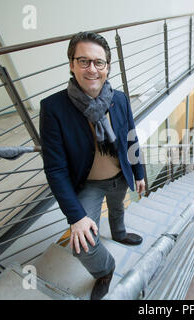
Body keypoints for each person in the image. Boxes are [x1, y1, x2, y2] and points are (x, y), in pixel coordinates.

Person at [39, 31, 145, 300]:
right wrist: (76, 217)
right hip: (89, 184)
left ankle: (119, 233)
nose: (92, 69)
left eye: (99, 62)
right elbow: (56, 169)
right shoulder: (53, 108)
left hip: (120, 174)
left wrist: (139, 172)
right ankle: (106, 270)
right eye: (83, 61)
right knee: (83, 245)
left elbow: (131, 136)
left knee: (118, 206)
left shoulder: (118, 99)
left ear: (107, 67)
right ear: (72, 65)